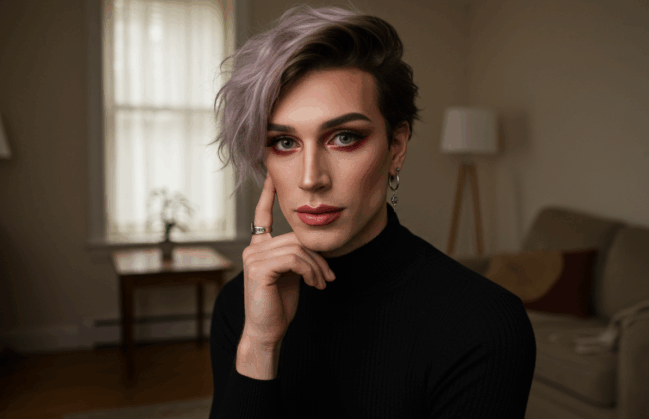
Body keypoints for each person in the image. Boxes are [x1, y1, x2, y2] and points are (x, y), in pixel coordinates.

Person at [208, 5, 536, 418]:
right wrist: (259, 343)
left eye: (344, 137)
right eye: (285, 143)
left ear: (396, 147)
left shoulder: (482, 325)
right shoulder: (238, 307)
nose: (311, 178)